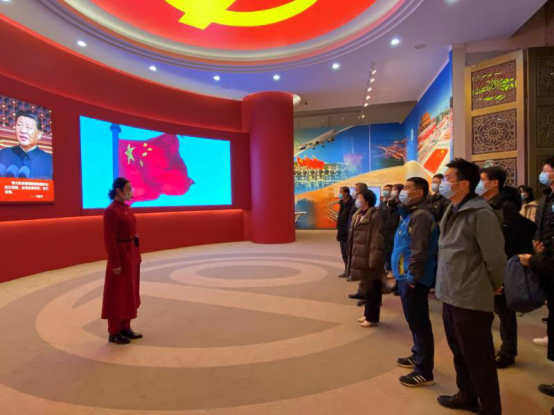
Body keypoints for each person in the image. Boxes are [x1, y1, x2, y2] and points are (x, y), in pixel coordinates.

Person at [435, 158, 506, 415]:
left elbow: (495, 257)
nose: (442, 184)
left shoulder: (481, 214)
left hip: (471, 296)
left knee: (478, 357)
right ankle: (466, 395)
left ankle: (490, 408)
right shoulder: (452, 209)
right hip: (449, 293)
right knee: (459, 351)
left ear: (463, 184)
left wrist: (494, 284)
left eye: (447, 179)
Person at [477, 166, 534, 369]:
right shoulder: (486, 203)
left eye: (482, 180)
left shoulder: (506, 206)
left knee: (504, 310)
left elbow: (504, 240)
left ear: (494, 183)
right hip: (487, 263)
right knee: (489, 308)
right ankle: (489, 346)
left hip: (503, 263)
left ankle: (508, 351)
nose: (479, 183)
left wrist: (498, 270)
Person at [392, 177, 439, 387]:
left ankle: (424, 371)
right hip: (406, 276)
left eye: (407, 188)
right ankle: (417, 353)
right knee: (414, 321)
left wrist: (412, 278)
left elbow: (419, 250)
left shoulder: (421, 216)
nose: (402, 191)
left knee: (419, 323)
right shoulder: (410, 213)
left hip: (413, 278)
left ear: (419, 193)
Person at [102, 177, 143, 345]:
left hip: (131, 253)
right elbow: (109, 240)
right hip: (121, 255)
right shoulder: (111, 211)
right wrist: (115, 263)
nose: (131, 192)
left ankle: (126, 326)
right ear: (118, 190)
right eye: (128, 188)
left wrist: (136, 254)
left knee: (129, 292)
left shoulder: (127, 208)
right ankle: (114, 331)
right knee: (117, 293)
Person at [347, 190, 384, 327]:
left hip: (370, 257)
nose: (357, 199)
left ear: (366, 200)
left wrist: (373, 260)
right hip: (362, 255)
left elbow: (376, 240)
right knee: (367, 287)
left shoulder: (374, 216)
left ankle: (372, 317)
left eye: (359, 197)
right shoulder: (359, 215)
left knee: (373, 288)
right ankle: (367, 313)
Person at [0, 110, 53, 180]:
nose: (22, 131)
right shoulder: (3, 154)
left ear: (39, 134)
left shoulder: (50, 161)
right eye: (19, 125)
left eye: (28, 127)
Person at [346, 182, 369, 284]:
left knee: (359, 258)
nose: (353, 192)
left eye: (355, 190)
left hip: (360, 238)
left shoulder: (368, 212)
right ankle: (352, 273)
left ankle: (358, 275)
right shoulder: (355, 204)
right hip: (352, 234)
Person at [337, 186, 355, 278]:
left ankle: (352, 272)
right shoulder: (342, 203)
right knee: (344, 254)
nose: (339, 194)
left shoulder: (352, 204)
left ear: (346, 193)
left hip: (348, 233)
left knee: (349, 254)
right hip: (341, 232)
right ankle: (346, 270)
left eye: (341, 192)